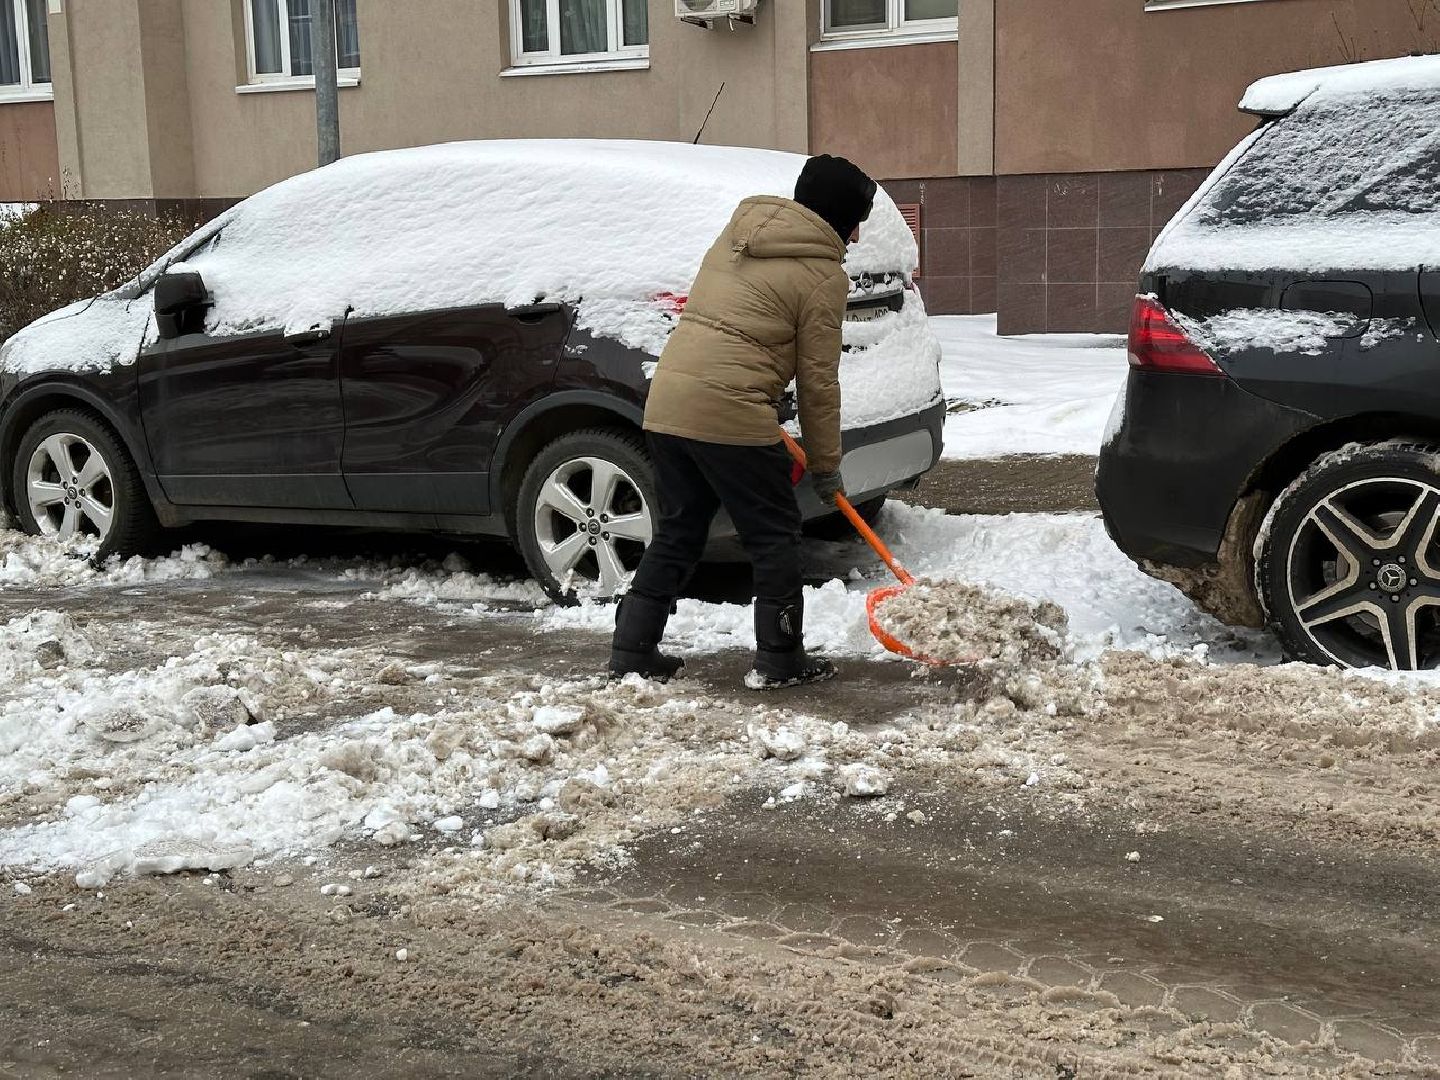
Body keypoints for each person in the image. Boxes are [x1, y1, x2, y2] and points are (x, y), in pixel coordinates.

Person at [608, 154, 877, 690]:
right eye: (859, 222)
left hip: (668, 404)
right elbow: (819, 380)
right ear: (844, 219)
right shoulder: (823, 275)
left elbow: (733, 325)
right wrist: (826, 467)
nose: (858, 236)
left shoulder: (738, 238)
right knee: (774, 536)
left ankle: (632, 649)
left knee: (680, 531)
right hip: (730, 410)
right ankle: (780, 659)